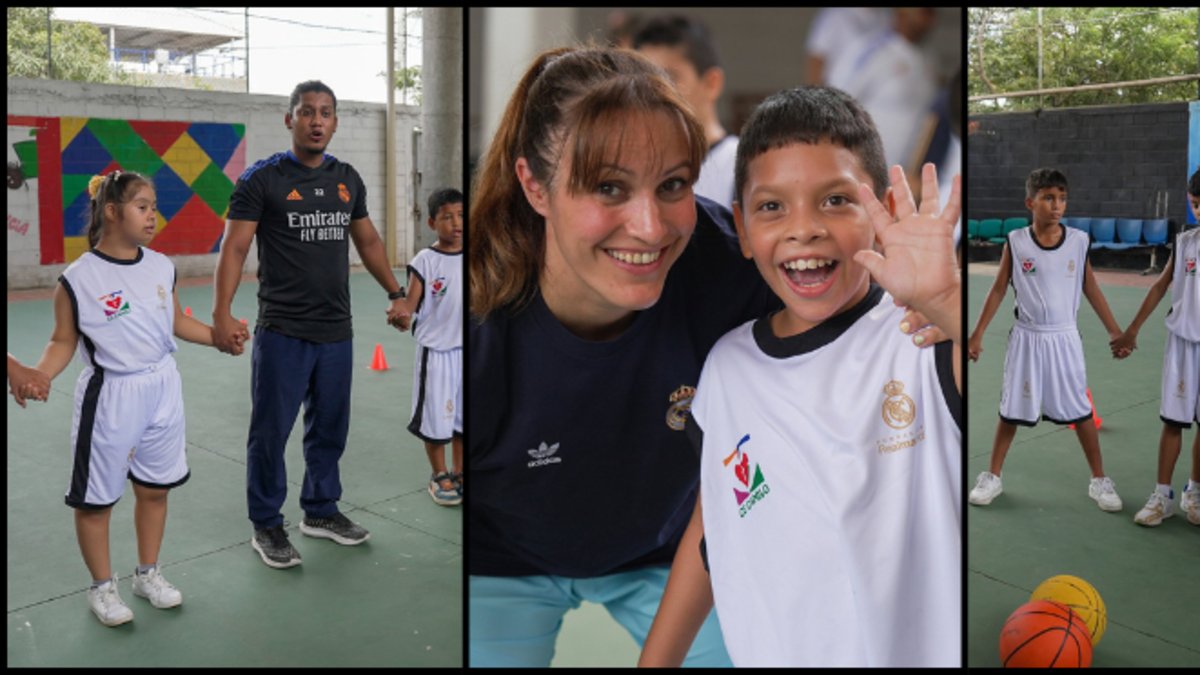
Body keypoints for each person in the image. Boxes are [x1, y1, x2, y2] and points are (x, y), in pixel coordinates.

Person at [468, 45, 778, 667]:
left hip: (671, 551)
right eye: (608, 187)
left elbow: (871, 330)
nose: (650, 226)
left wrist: (927, 299)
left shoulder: (725, 264)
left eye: (673, 185)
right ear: (535, 185)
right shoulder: (474, 322)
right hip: (499, 562)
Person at [639, 87, 963, 667]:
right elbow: (715, 526)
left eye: (836, 200)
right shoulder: (727, 369)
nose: (804, 229)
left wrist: (948, 301)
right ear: (740, 227)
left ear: (883, 207)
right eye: (772, 207)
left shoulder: (922, 339)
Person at [12, 170, 223, 626]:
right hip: (111, 396)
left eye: (153, 206)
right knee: (96, 500)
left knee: (155, 489)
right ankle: (102, 588)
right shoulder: (78, 279)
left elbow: (175, 323)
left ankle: (147, 574)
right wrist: (39, 375)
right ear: (112, 211)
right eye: (143, 206)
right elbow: (63, 340)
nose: (153, 215)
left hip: (163, 388)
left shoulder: (161, 265)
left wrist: (218, 337)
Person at [212, 80, 408, 569]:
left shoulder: (348, 179)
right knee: (271, 431)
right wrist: (221, 312)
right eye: (306, 112)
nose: (316, 121)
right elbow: (234, 248)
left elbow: (368, 242)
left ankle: (320, 511)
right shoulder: (263, 179)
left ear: (336, 122)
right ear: (290, 120)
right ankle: (266, 522)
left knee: (330, 428)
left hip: (336, 330)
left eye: (325, 113)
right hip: (282, 329)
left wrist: (397, 293)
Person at [967, 168, 1126, 511]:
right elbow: (997, 289)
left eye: (1062, 198)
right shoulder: (1016, 241)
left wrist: (1114, 330)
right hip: (1027, 338)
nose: (1057, 205)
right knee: (1011, 410)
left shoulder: (1079, 241)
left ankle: (1099, 479)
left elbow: (1091, 287)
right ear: (1031, 202)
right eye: (1049, 198)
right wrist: (977, 333)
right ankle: (992, 476)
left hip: (1065, 338)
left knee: (1081, 411)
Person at [1112, 168, 1200, 526]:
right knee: (1173, 421)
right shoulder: (1186, 243)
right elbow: (1160, 287)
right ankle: (1162, 495)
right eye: (1196, 204)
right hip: (1182, 345)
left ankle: (1193, 491)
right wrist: (1131, 330)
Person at [390, 187, 464, 506]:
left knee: (463, 419)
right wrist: (402, 315)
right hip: (437, 353)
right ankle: (440, 475)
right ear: (432, 222)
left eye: (462, 215)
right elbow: (410, 303)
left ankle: (461, 472)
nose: (457, 223)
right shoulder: (425, 260)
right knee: (437, 419)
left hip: (468, 352)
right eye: (447, 217)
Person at [634, 14, 738, 210]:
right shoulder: (638, 167)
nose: (654, 92)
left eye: (669, 78)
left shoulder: (740, 165)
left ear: (711, 83)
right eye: (644, 80)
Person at [825, 8, 938, 172]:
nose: (931, 22)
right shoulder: (871, 51)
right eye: (926, 13)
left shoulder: (928, 58)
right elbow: (834, 103)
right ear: (903, 13)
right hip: (867, 171)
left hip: (909, 173)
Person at [804, 7, 889, 86]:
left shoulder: (885, 16)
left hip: (877, 94)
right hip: (842, 92)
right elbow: (817, 58)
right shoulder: (834, 14)